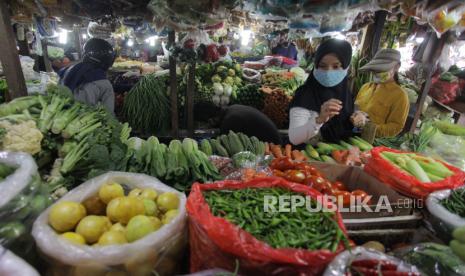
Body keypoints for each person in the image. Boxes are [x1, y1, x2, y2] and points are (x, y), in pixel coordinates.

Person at [289, 38, 361, 145]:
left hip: (340, 154)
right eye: (322, 66)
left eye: (336, 66)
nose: (328, 71)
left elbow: (347, 126)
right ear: (316, 66)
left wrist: (357, 120)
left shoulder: (346, 94)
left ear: (346, 67)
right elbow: (294, 138)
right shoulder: (304, 95)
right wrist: (319, 119)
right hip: (308, 156)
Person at [356, 49, 409, 137]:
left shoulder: (400, 96)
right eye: (376, 70)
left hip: (373, 143)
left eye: (382, 69)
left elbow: (396, 127)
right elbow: (356, 108)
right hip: (352, 134)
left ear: (397, 67)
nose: (378, 73)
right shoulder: (365, 87)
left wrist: (369, 128)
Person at [59, 38, 116, 113]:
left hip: (61, 115)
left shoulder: (69, 70)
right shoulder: (104, 84)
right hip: (83, 122)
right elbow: (109, 114)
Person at [194, 102, 282, 144]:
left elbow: (224, 145)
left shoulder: (230, 120)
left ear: (211, 119)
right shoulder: (233, 108)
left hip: (272, 147)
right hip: (271, 140)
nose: (209, 126)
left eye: (208, 123)